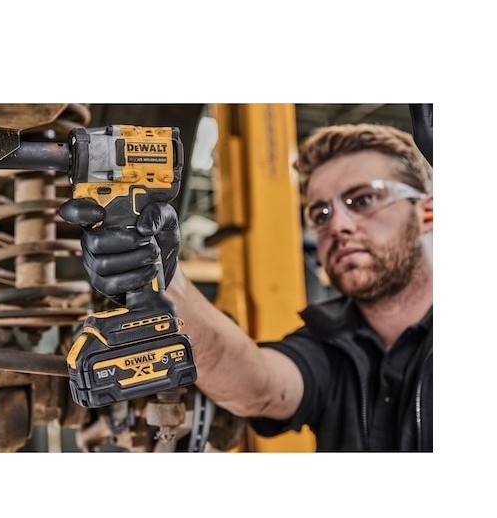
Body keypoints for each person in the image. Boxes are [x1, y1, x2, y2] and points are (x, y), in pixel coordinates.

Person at [59, 123, 433, 452]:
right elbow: (260, 386)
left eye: (363, 200)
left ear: (428, 211)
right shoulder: (334, 342)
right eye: (321, 213)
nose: (337, 225)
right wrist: (165, 278)